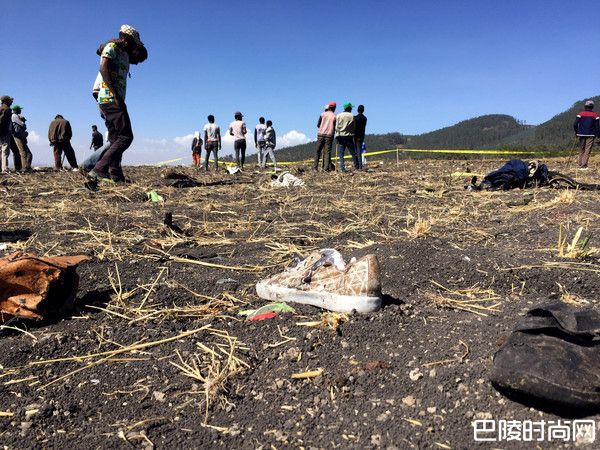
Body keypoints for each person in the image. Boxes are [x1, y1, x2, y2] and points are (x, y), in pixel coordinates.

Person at [89, 24, 147, 183]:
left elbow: (140, 56)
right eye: (135, 44)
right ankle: (98, 169)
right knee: (126, 136)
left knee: (115, 138)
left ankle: (115, 173)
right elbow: (103, 67)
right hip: (110, 98)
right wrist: (115, 95)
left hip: (113, 98)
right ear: (128, 40)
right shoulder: (112, 46)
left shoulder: (125, 54)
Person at [573, 100, 600, 169]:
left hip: (581, 134)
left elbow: (575, 124)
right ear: (592, 107)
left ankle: (580, 163)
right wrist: (598, 136)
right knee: (587, 150)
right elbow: (597, 127)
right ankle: (584, 165)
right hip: (591, 135)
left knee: (581, 149)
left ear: (585, 106)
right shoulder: (595, 115)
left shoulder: (580, 114)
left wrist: (576, 132)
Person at [335, 102, 359, 172]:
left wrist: (337, 135)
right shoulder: (352, 116)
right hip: (349, 136)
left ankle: (342, 168)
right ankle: (356, 167)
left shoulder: (339, 115)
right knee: (353, 153)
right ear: (349, 108)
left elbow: (336, 127)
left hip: (340, 136)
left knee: (341, 154)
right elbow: (354, 127)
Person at [314, 102, 336, 171]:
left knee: (318, 151)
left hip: (321, 134)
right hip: (329, 136)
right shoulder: (335, 116)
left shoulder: (322, 114)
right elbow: (335, 126)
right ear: (334, 108)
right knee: (327, 152)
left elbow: (318, 125)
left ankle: (315, 167)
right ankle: (326, 169)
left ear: (329, 107)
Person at [10, 105, 33, 171]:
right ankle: (24, 167)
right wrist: (23, 124)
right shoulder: (14, 116)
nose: (20, 110)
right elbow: (22, 124)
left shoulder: (14, 116)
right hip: (18, 136)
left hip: (18, 136)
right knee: (23, 152)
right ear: (16, 110)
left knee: (24, 153)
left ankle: (24, 167)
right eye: (19, 109)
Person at [0, 95, 13, 173]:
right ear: (6, 101)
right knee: (5, 150)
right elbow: (2, 121)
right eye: (10, 101)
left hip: (1, 132)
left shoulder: (1, 108)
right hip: (4, 132)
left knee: (1, 150)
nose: (11, 102)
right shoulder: (7, 109)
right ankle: (4, 168)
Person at [354, 105, 367, 169]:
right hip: (362, 136)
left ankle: (359, 166)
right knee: (359, 150)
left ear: (357, 110)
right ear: (363, 110)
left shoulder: (355, 118)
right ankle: (359, 165)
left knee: (357, 151)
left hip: (356, 136)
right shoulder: (365, 118)